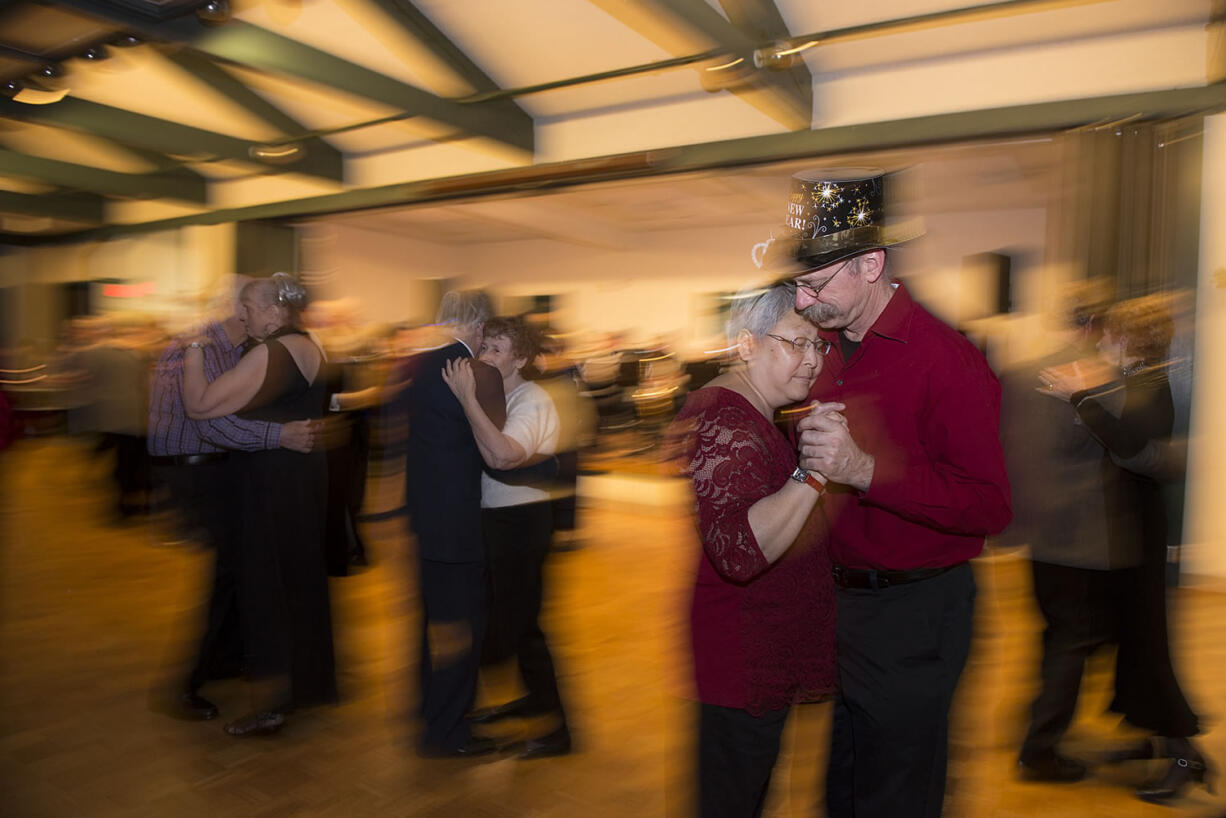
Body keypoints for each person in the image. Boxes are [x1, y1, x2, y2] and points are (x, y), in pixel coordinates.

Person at [765, 168, 1012, 818]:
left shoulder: (945, 359)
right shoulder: (827, 348)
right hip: (844, 605)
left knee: (897, 795)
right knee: (841, 786)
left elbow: (989, 505)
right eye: (797, 282)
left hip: (916, 614)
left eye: (814, 283)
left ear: (870, 264)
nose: (800, 297)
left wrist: (865, 469)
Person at [667, 284, 835, 818]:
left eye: (819, 346)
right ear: (746, 345)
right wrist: (814, 472)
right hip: (742, 653)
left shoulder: (754, 410)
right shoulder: (726, 419)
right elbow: (739, 551)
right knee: (732, 798)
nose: (811, 361)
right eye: (796, 344)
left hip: (758, 647)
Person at [1039, 293, 1207, 803]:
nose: (1104, 336)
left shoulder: (1152, 383)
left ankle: (1184, 755)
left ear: (1130, 337)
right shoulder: (1141, 379)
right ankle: (1152, 737)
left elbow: (1132, 448)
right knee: (1131, 640)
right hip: (1125, 531)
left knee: (1147, 643)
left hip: (1140, 534)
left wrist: (1082, 398)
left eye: (1112, 331)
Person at [147, 283, 314, 722]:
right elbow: (210, 424)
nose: (274, 320)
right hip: (193, 469)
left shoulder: (243, 349)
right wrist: (281, 435)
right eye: (267, 310)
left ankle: (225, 660)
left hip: (218, 469)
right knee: (226, 575)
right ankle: (187, 683)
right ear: (248, 310)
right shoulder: (194, 349)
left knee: (239, 568)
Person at [182, 273, 336, 736]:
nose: (240, 314)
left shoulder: (275, 351)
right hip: (295, 479)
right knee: (296, 581)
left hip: (275, 483)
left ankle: (275, 702)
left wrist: (193, 348)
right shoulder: (306, 345)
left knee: (269, 585)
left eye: (247, 306)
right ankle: (299, 688)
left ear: (273, 311)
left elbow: (200, 405)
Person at [1001, 281, 1119, 782]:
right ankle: (1040, 747)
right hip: (1082, 531)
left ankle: (1039, 718)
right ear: (1096, 325)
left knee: (1055, 633)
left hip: (1040, 527)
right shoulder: (1098, 376)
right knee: (1073, 639)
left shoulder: (1022, 371)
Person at [441, 316, 572, 759]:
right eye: (485, 348)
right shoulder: (496, 394)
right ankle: (533, 701)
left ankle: (559, 729)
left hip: (521, 522)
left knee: (524, 627)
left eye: (498, 349)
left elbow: (502, 455)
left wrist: (465, 399)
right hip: (497, 520)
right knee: (511, 622)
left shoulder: (530, 398)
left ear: (521, 359)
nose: (486, 357)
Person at [402, 290, 506, 757]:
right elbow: (496, 449)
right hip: (460, 519)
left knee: (434, 623)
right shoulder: (475, 371)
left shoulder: (419, 364)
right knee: (465, 629)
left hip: (426, 514)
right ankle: (449, 732)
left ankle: (428, 712)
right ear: (479, 326)